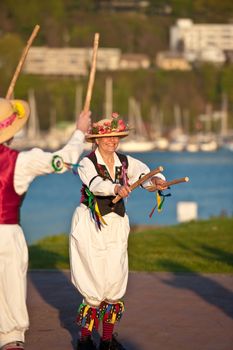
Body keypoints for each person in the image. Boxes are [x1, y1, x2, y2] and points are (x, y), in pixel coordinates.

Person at [69, 113, 167, 350]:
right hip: (91, 224)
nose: (113, 141)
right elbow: (95, 184)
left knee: (115, 280)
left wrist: (157, 182)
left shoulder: (125, 161)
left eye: (116, 137)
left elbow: (144, 173)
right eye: (108, 137)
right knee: (92, 282)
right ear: (97, 140)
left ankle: (106, 340)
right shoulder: (86, 162)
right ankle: (84, 340)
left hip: (116, 224)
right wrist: (115, 187)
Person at [0, 97, 91, 350]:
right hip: (5, 234)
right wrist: (80, 131)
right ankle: (10, 341)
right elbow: (65, 160)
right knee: (9, 292)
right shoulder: (20, 161)